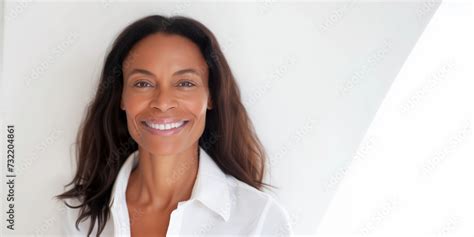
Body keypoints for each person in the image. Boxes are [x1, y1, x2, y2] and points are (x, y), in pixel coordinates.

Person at [56, 15, 292, 236]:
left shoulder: (259, 219)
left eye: (185, 83)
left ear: (210, 96)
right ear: (121, 97)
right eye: (143, 83)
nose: (163, 103)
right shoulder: (79, 214)